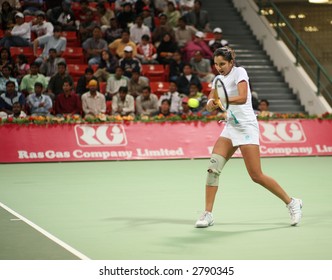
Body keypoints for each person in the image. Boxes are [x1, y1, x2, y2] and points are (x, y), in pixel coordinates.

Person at [195, 47, 303, 228]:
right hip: (230, 127)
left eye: (222, 64)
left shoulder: (239, 72)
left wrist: (223, 101)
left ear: (231, 62)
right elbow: (209, 103)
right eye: (216, 64)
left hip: (246, 127)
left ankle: (292, 202)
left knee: (256, 175)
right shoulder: (217, 79)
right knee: (213, 168)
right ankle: (208, 214)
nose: (219, 67)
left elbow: (243, 97)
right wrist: (211, 104)